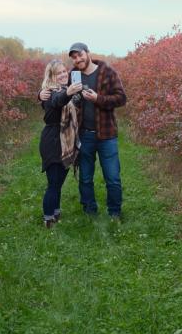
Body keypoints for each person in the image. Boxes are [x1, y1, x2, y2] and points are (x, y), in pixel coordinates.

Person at [39, 42, 127, 219]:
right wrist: (40, 95)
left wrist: (98, 98)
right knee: (85, 178)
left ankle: (115, 212)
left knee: (112, 177)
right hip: (84, 134)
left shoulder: (107, 72)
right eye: (74, 57)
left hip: (106, 134)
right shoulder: (73, 75)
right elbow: (56, 90)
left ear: (88, 53)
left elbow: (121, 98)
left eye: (80, 55)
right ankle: (89, 210)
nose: (77, 59)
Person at [38, 59, 82, 228]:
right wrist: (68, 93)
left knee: (58, 183)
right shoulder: (49, 93)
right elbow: (58, 101)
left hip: (64, 141)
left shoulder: (64, 89)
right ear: (52, 76)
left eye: (65, 71)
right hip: (53, 142)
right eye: (59, 73)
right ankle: (48, 219)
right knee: (54, 184)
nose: (64, 74)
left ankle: (55, 213)